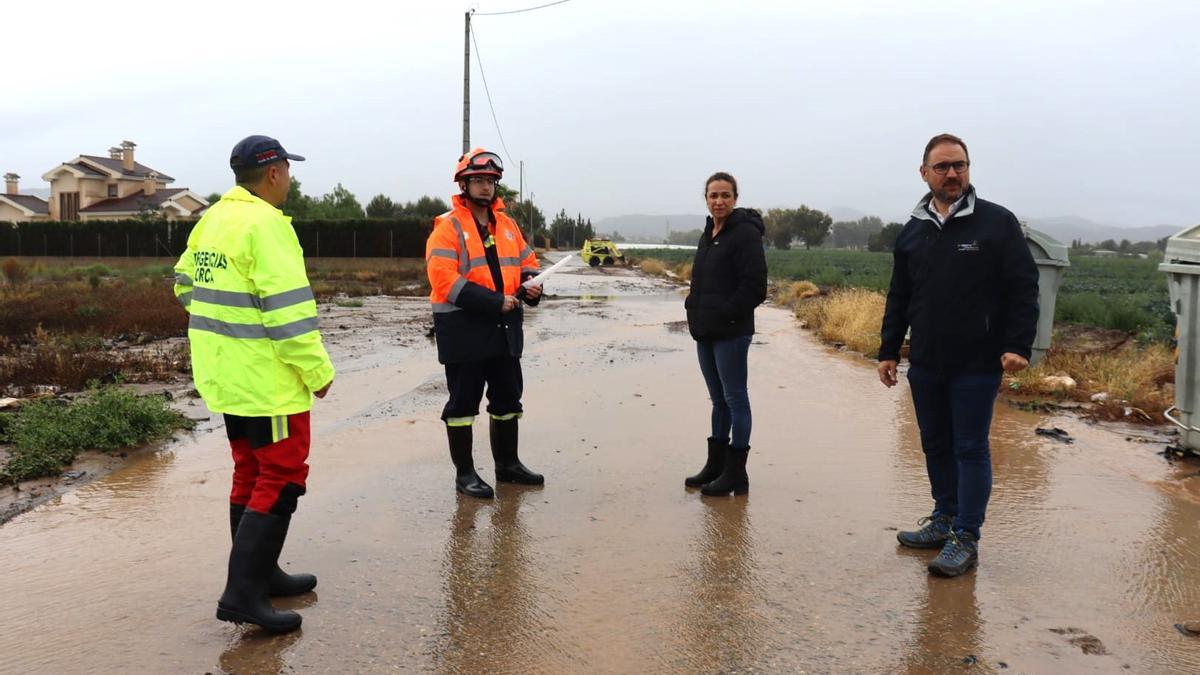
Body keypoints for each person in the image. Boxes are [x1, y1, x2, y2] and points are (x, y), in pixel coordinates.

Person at [174, 135, 335, 632]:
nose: (290, 176)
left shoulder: (213, 219)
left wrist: (225, 332)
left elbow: (184, 284)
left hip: (227, 376)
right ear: (273, 173)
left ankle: (260, 575)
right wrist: (318, 373)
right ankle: (243, 593)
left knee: (248, 470)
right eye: (288, 168)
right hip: (268, 382)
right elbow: (289, 316)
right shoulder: (267, 226)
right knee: (282, 476)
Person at [878, 133, 1039, 577]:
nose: (953, 174)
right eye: (943, 166)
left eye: (960, 165)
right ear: (924, 172)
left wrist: (1016, 345)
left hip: (977, 361)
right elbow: (900, 295)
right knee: (934, 444)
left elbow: (1023, 287)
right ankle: (944, 518)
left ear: (968, 169)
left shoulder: (996, 223)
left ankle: (965, 536)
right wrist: (889, 350)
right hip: (926, 361)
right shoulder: (913, 230)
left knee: (969, 448)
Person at [425, 148, 543, 499]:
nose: (485, 187)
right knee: (462, 405)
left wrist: (533, 285)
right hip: (465, 330)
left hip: (504, 328)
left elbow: (527, 261)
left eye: (490, 181)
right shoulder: (448, 227)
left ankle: (508, 465)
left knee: (508, 399)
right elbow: (444, 279)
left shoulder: (507, 225)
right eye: (477, 180)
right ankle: (465, 474)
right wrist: (494, 302)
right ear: (463, 184)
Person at [683, 172, 767, 496]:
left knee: (735, 398)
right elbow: (701, 282)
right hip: (705, 331)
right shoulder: (709, 233)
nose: (719, 201)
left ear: (735, 198)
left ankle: (736, 474)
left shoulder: (745, 234)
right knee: (718, 401)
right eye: (713, 195)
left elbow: (755, 287)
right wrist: (694, 308)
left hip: (731, 333)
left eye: (725, 195)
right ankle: (715, 466)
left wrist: (724, 313)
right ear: (705, 198)